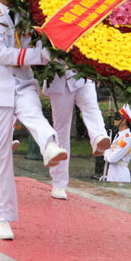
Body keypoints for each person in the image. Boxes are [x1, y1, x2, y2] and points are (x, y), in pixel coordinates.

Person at [0, 0, 66, 240]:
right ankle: (2, 217)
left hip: (24, 80)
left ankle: (50, 145)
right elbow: (0, 53)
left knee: (33, 113)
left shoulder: (30, 16)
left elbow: (45, 42)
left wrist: (54, 50)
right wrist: (40, 56)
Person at [44, 68, 110, 199]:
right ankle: (58, 183)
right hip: (59, 79)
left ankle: (99, 138)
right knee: (61, 130)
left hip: (83, 75)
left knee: (91, 107)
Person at [103, 105, 131, 182]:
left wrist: (105, 152)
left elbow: (112, 158)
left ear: (123, 121)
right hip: (112, 174)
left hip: (120, 176)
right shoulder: (119, 135)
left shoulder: (127, 138)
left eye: (117, 117)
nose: (115, 119)